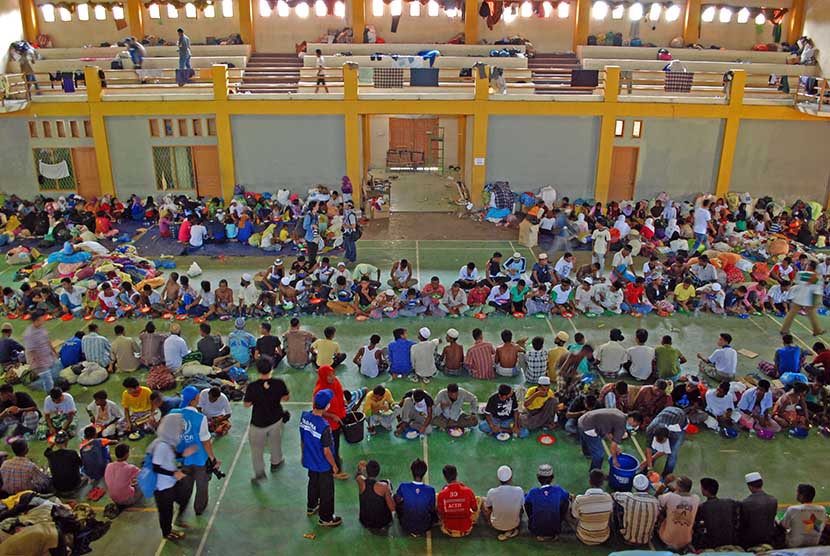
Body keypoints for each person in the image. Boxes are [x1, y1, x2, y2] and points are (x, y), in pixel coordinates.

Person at [171, 385, 220, 520]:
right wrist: (212, 458)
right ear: (193, 400)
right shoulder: (200, 418)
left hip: (182, 458)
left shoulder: (173, 413)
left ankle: (182, 505)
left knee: (185, 483)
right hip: (199, 459)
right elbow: (205, 441)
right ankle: (199, 508)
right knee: (202, 485)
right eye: (197, 397)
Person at [301, 389, 342, 527]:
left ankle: (311, 506)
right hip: (323, 464)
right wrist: (334, 465)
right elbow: (326, 451)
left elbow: (303, 440)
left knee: (313, 483)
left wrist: (303, 455)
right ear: (327, 406)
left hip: (310, 459)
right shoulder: (324, 427)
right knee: (327, 491)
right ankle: (326, 518)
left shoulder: (304, 417)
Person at [245, 358, 290, 482]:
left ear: (257, 369)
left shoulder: (252, 387)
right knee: (275, 441)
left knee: (256, 448)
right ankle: (276, 462)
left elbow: (247, 404)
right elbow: (286, 398)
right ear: (272, 368)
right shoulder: (279, 383)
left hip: (258, 422)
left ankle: (259, 473)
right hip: (275, 419)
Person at [150, 413, 190, 540]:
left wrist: (184, 454)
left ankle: (178, 519)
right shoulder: (161, 445)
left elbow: (171, 456)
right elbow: (156, 467)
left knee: (183, 497)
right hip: (162, 487)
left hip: (170, 482)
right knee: (166, 512)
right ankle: (167, 533)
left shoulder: (167, 441)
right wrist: (174, 473)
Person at [313, 365, 349, 479]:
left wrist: (343, 400)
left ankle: (335, 457)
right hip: (329, 424)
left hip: (338, 418)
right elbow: (316, 410)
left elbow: (340, 392)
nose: (332, 377)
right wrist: (332, 415)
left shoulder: (335, 381)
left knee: (336, 443)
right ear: (323, 377)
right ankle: (335, 470)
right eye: (329, 376)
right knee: (332, 445)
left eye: (333, 374)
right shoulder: (319, 390)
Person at [578, 408, 642, 471]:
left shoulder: (620, 414)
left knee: (585, 438)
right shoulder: (621, 425)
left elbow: (608, 434)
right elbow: (612, 447)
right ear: (632, 419)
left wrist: (616, 448)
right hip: (589, 427)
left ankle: (587, 453)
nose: (633, 427)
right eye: (634, 425)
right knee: (599, 454)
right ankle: (595, 472)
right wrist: (615, 460)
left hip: (582, 419)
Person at [524, 464, 569, 541]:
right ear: (552, 478)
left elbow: (526, 501)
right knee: (566, 502)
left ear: (538, 478)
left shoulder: (533, 492)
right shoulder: (558, 490)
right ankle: (557, 521)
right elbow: (567, 496)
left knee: (527, 502)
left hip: (536, 530)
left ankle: (533, 521)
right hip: (556, 529)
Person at [612, 473, 659, 546]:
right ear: (647, 488)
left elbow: (614, 495)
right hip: (646, 539)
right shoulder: (655, 501)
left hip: (627, 537)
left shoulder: (627, 497)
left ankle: (620, 528)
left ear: (634, 487)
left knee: (616, 504)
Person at [780, 261, 825, 336]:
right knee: (812, 315)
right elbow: (817, 291)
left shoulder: (801, 273)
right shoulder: (817, 277)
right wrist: (816, 302)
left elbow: (796, 282)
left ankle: (784, 330)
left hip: (798, 297)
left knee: (791, 314)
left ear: (809, 267)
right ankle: (817, 330)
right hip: (809, 299)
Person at [694, 477, 740, 550]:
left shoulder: (703, 507)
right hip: (730, 542)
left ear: (705, 491)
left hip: (711, 544)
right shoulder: (730, 503)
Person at [395, 458, 436, 536]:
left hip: (406, 526)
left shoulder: (403, 486)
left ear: (412, 471)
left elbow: (397, 500)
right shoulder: (431, 490)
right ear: (425, 473)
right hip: (425, 527)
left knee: (398, 500)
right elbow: (432, 508)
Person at [571, 469, 614, 545]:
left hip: (583, 537)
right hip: (604, 537)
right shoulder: (608, 498)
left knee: (572, 508)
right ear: (602, 483)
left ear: (589, 481)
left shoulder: (580, 499)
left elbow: (574, 515)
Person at [657, 476, 700, 551]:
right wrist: (674, 490)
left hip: (667, 539)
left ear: (679, 488)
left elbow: (656, 498)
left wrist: (665, 484)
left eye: (676, 485)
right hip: (686, 541)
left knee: (662, 512)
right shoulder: (696, 498)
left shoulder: (670, 496)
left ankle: (662, 532)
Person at [437, 464, 480, 537]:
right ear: (456, 474)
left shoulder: (441, 494)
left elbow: (440, 513)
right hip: (466, 529)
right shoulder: (468, 491)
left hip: (449, 529)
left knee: (436, 498)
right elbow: (475, 508)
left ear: (444, 477)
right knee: (478, 499)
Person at [643, 406, 687, 476]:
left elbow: (666, 450)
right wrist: (649, 467)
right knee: (653, 449)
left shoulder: (675, 433)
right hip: (667, 411)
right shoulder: (650, 429)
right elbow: (648, 448)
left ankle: (666, 475)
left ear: (667, 437)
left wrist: (650, 459)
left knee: (672, 454)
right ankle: (648, 469)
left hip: (681, 418)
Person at [778, 483, 826, 548]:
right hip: (814, 543)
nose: (796, 494)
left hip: (793, 544)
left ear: (801, 495)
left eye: (797, 492)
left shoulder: (793, 509)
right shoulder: (822, 509)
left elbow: (783, 526)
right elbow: (820, 525)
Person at [483, 465, 524, 541]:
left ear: (499, 478)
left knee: (483, 501)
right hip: (514, 524)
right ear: (510, 477)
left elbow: (488, 507)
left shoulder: (492, 492)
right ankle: (514, 525)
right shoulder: (519, 490)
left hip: (496, 525)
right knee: (521, 504)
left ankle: (490, 522)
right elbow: (522, 508)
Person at [24, 310, 61, 392]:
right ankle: (50, 396)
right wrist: (38, 364)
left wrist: (54, 353)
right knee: (48, 381)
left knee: (57, 370)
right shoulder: (30, 334)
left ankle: (37, 384)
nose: (44, 320)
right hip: (39, 361)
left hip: (47, 357)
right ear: (36, 320)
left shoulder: (42, 328)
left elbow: (47, 341)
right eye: (41, 319)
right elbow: (31, 351)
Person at [740, 471, 778, 548]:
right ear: (762, 483)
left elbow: (743, 523)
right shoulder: (773, 500)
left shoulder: (746, 502)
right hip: (769, 539)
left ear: (749, 486)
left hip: (750, 542)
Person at [356, 460, 395, 530]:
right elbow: (392, 508)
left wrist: (360, 469)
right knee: (388, 485)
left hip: (364, 521)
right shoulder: (384, 486)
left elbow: (359, 475)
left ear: (367, 470)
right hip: (381, 523)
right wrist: (390, 493)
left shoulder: (360, 481)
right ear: (378, 471)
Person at [105, 443, 143, 507]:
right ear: (126, 455)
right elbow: (143, 476)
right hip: (127, 501)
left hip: (114, 499)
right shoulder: (130, 468)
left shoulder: (108, 466)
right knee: (142, 484)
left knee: (128, 480)